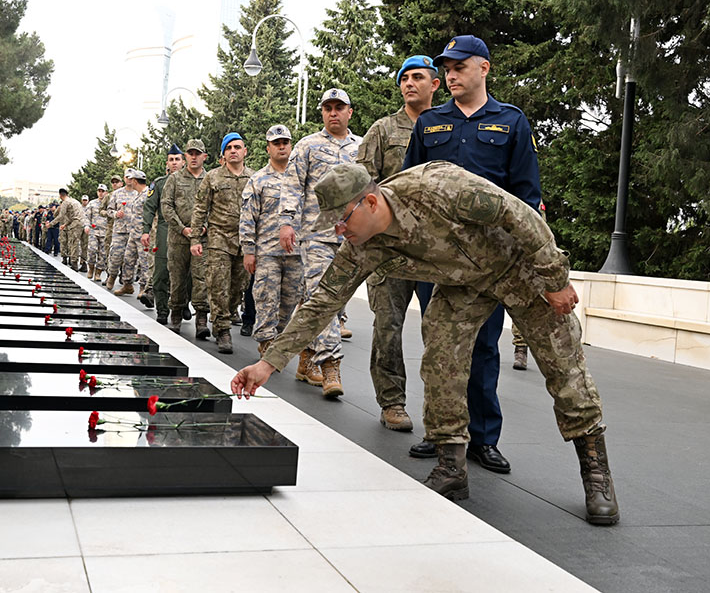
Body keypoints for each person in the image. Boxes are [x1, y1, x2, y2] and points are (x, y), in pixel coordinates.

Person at [232, 162, 620, 526]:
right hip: (464, 283)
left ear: (370, 201)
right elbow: (323, 301)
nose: (338, 232)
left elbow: (519, 215)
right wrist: (267, 365)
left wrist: (554, 278)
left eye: (341, 220)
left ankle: (595, 470)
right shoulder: (362, 245)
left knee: (563, 366)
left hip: (520, 268)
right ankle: (451, 465)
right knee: (440, 359)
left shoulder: (438, 189)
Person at [402, 35, 542, 475]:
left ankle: (483, 438)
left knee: (483, 346)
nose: (451, 74)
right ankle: (441, 433)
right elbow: (407, 188)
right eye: (447, 67)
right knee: (439, 347)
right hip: (436, 257)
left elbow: (525, 193)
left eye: (460, 66)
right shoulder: (430, 123)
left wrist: (521, 255)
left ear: (484, 68)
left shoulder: (511, 121)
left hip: (487, 261)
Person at [358, 55, 441, 432]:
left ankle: (441, 409)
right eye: (404, 78)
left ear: (434, 84)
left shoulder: (447, 126)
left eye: (418, 77)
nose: (410, 83)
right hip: (391, 249)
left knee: (440, 329)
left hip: (435, 250)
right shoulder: (382, 130)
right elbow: (362, 184)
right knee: (388, 326)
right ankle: (392, 402)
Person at [278, 88, 361, 396]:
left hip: (351, 237)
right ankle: (331, 367)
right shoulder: (308, 146)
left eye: (339, 107)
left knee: (320, 301)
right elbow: (293, 186)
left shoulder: (361, 147)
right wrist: (287, 222)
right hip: (316, 236)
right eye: (328, 107)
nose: (333, 112)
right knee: (322, 297)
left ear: (349, 112)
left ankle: (307, 356)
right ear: (322, 112)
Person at [240, 124, 302, 358]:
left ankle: (278, 338)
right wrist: (248, 249)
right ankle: (267, 343)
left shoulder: (300, 178)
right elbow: (248, 217)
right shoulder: (258, 180)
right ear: (268, 148)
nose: (282, 146)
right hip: (267, 253)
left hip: (296, 253)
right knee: (266, 301)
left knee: (288, 304)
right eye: (276, 143)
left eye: (285, 142)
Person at [190, 132, 254, 354]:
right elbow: (200, 209)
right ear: (223, 154)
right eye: (229, 148)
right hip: (218, 239)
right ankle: (222, 329)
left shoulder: (254, 178)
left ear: (245, 151)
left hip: (244, 242)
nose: (233, 151)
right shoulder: (213, 178)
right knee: (218, 286)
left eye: (237, 147)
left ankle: (226, 315)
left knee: (238, 288)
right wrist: (195, 239)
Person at [161, 139, 210, 338]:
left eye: (198, 153)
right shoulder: (174, 179)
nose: (194, 156)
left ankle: (201, 320)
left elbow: (215, 208)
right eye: (190, 153)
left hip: (202, 239)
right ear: (186, 156)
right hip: (178, 238)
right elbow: (166, 206)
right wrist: (182, 229)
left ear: (204, 156)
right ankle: (176, 315)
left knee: (202, 279)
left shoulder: (210, 179)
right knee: (177, 278)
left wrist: (204, 226)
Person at [142, 145, 184, 323]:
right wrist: (145, 231)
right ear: (167, 163)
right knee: (160, 273)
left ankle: (182, 304)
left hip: (186, 232)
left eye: (177, 159)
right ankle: (162, 310)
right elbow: (149, 208)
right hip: (164, 232)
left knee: (186, 275)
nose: (174, 163)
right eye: (171, 160)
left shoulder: (195, 181)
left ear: (183, 161)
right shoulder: (159, 184)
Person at [115, 169, 150, 296]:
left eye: (132, 180)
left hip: (143, 235)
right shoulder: (137, 194)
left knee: (144, 262)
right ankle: (127, 285)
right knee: (128, 260)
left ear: (135, 181)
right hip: (133, 233)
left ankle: (144, 288)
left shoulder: (147, 194)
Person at [104, 169, 139, 290]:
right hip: (119, 230)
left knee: (131, 259)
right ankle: (112, 276)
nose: (129, 179)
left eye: (131, 177)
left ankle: (127, 283)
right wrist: (115, 214)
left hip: (134, 231)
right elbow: (108, 210)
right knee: (115, 256)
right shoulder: (117, 193)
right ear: (124, 179)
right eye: (127, 177)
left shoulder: (138, 193)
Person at [43, 188, 87, 266]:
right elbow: (74, 216)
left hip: (75, 225)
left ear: (60, 195)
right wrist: (65, 224)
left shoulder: (65, 202)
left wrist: (50, 224)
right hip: (84, 224)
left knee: (74, 244)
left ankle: (74, 264)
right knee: (83, 245)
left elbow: (60, 216)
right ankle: (84, 264)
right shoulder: (75, 201)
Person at [86, 184, 108, 281]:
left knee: (102, 254)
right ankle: (91, 269)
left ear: (106, 192)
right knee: (92, 250)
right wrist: (86, 225)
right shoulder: (92, 203)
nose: (101, 193)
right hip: (93, 231)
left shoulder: (109, 204)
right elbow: (87, 216)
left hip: (105, 232)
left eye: (102, 191)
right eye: (99, 191)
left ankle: (98, 273)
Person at [78, 194, 91, 271]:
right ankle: (76, 260)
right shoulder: (78, 208)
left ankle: (84, 261)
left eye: (86, 200)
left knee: (85, 245)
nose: (85, 201)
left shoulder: (90, 207)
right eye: (83, 200)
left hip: (86, 228)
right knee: (77, 244)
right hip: (79, 227)